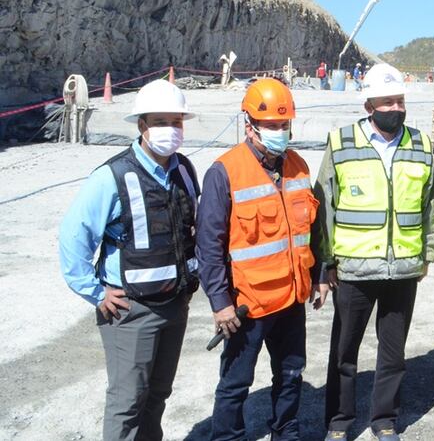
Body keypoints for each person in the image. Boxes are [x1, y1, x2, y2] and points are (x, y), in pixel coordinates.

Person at [59, 79, 199, 441]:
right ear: (141, 125)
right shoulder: (112, 176)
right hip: (131, 309)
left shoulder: (184, 170)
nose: (170, 129)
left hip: (175, 303)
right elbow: (74, 238)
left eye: (176, 121)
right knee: (128, 401)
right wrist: (95, 293)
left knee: (158, 395)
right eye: (160, 122)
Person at [197, 78, 329, 441]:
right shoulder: (224, 172)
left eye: (284, 124)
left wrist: (319, 275)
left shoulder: (298, 166)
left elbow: (312, 231)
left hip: (291, 299)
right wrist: (220, 303)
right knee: (235, 383)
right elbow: (208, 245)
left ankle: (285, 432)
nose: (279, 132)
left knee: (291, 374)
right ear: (249, 125)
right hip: (247, 306)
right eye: (271, 125)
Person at [316, 63, 434, 441]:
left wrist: (427, 254)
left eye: (400, 101)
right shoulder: (341, 143)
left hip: (403, 268)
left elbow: (431, 206)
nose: (396, 108)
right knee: (344, 351)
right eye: (387, 102)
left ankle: (384, 419)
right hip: (354, 269)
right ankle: (339, 421)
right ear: (369, 106)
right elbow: (325, 206)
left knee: (393, 353)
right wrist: (326, 262)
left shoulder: (421, 145)